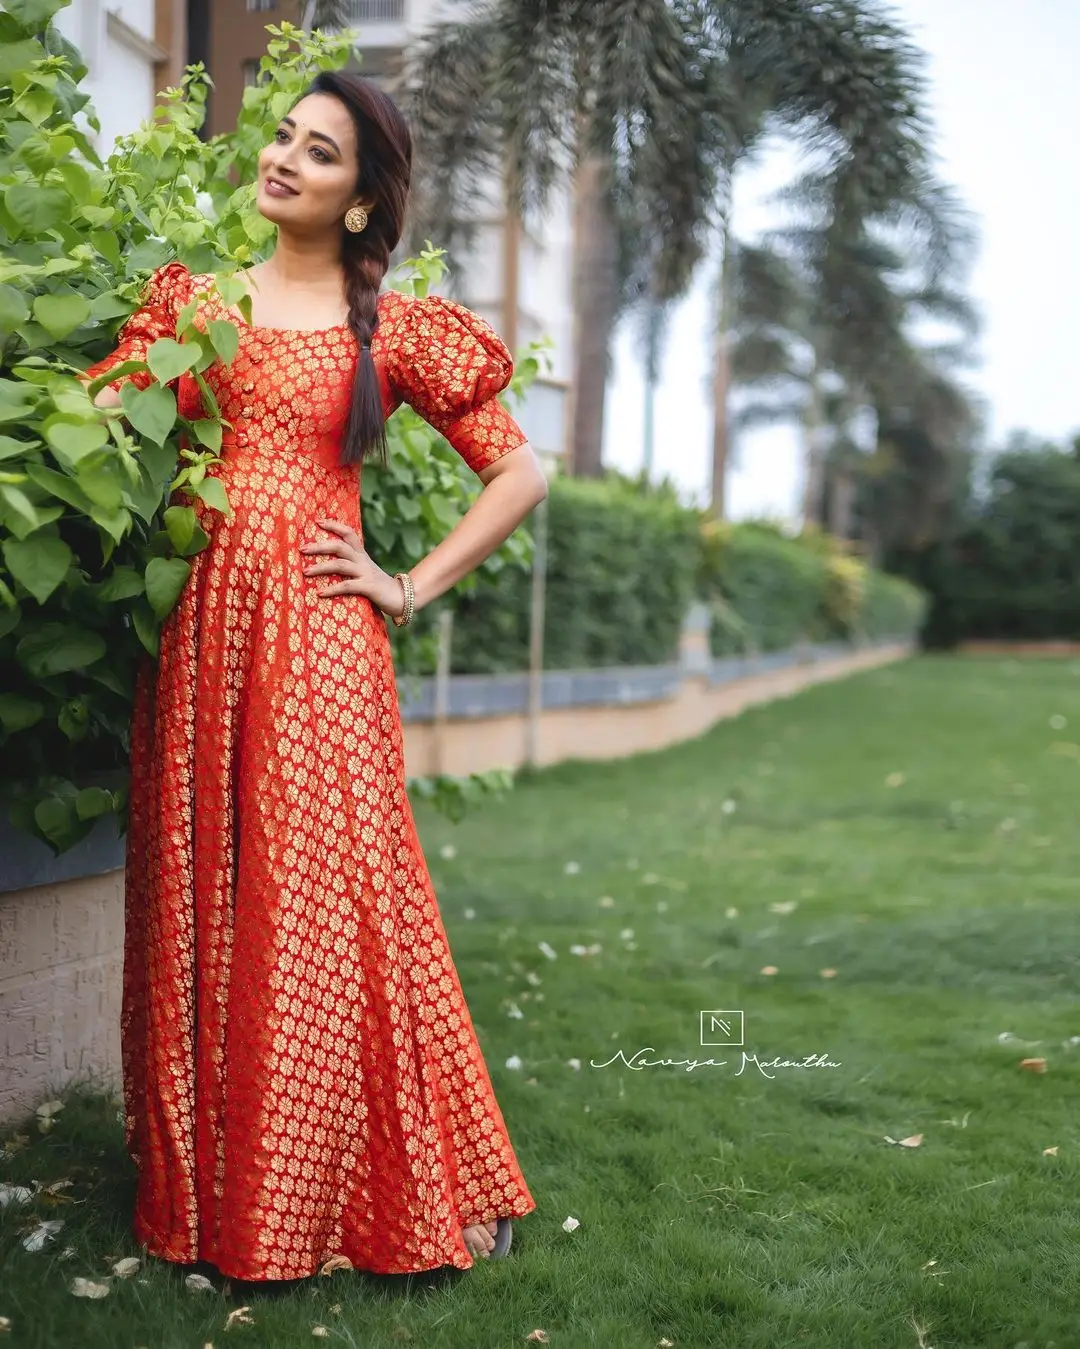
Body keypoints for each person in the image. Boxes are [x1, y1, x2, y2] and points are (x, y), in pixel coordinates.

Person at [78, 69, 546, 1283]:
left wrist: (407, 583)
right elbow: (101, 426)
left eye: (320, 151)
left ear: (358, 198)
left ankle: (360, 1187)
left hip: (326, 645)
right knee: (207, 886)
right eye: (284, 135)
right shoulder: (195, 305)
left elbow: (519, 475)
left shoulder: (389, 326)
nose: (284, 155)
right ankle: (223, 1190)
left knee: (330, 905)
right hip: (201, 639)